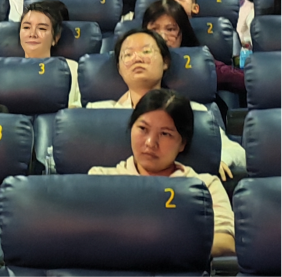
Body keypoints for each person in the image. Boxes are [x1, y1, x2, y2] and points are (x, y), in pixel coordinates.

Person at [89, 89, 235, 257]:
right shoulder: (99, 179)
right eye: (143, 128)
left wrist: (158, 249)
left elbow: (226, 242)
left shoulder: (204, 185)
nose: (151, 143)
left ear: (182, 143)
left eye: (165, 134)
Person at [87, 28, 245, 180]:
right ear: (119, 69)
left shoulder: (195, 111)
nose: (137, 58)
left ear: (165, 62)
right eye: (128, 54)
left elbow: (238, 153)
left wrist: (220, 160)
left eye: (146, 51)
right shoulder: (97, 113)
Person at [143, 0, 244, 94]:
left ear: (183, 32)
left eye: (170, 29)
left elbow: (243, 80)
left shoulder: (199, 62)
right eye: (154, 30)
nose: (162, 37)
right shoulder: (137, 60)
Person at [20, 2, 81, 108]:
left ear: (55, 38)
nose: (32, 34)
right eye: (26, 27)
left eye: (42, 28)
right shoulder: (6, 70)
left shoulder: (72, 69)